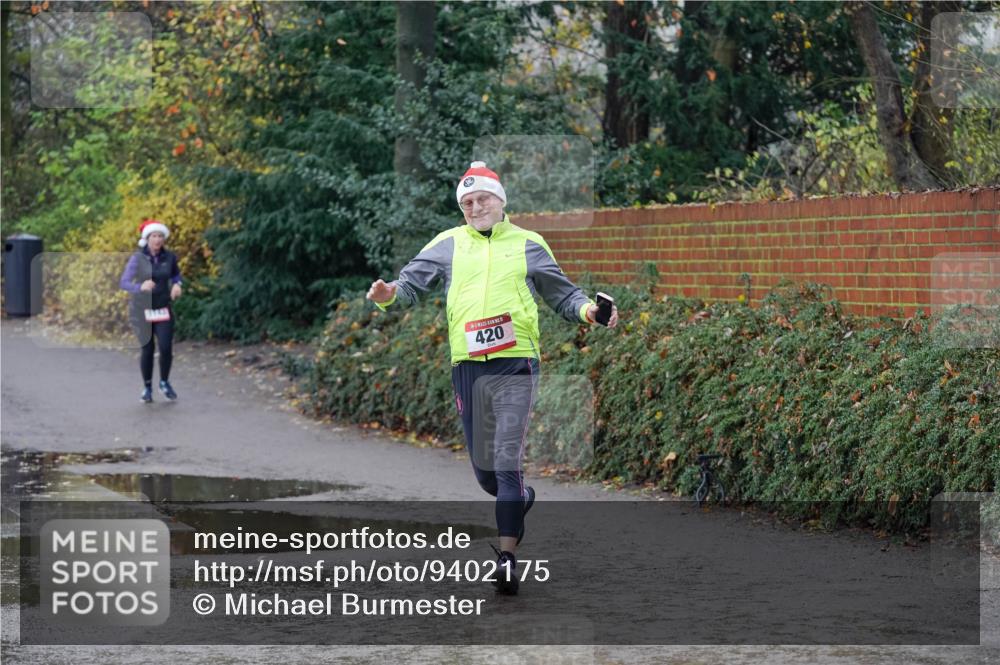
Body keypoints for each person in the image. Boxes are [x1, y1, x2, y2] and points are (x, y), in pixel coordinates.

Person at [366, 161, 619, 594]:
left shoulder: (528, 244)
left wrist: (591, 312)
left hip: (516, 362)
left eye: (482, 199)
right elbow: (408, 284)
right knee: (486, 474)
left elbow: (563, 294)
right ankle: (517, 500)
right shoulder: (447, 244)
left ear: (500, 202)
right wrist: (388, 295)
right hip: (467, 365)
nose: (475, 207)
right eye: (467, 202)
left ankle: (506, 560)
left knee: (506, 459)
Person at [119, 219, 183, 403]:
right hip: (142, 311)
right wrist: (140, 286)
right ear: (147, 238)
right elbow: (123, 282)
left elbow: (176, 274)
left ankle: (164, 382)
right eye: (154, 236)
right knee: (147, 349)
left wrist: (178, 285)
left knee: (165, 347)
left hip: (162, 308)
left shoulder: (169, 257)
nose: (157, 240)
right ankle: (147, 387)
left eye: (160, 236)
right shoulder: (137, 258)